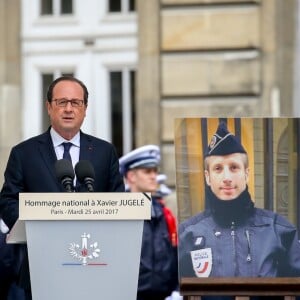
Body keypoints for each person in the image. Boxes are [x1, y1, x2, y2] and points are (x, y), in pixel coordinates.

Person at [0, 76, 125, 300]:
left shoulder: (104, 152)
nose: (69, 109)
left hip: (94, 264)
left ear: (85, 108)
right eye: (61, 102)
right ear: (49, 107)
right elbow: (8, 201)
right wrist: (39, 228)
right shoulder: (24, 153)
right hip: (42, 267)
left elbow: (118, 201)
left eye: (76, 103)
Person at [178, 122, 300, 299]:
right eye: (218, 168)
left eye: (234, 167)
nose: (227, 178)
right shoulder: (187, 234)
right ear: (207, 177)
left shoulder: (279, 231)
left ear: (247, 174)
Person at [119, 145, 179, 300]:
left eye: (154, 171)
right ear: (131, 176)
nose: (154, 176)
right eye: (147, 172)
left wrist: (176, 290)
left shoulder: (164, 214)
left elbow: (175, 255)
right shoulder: (118, 212)